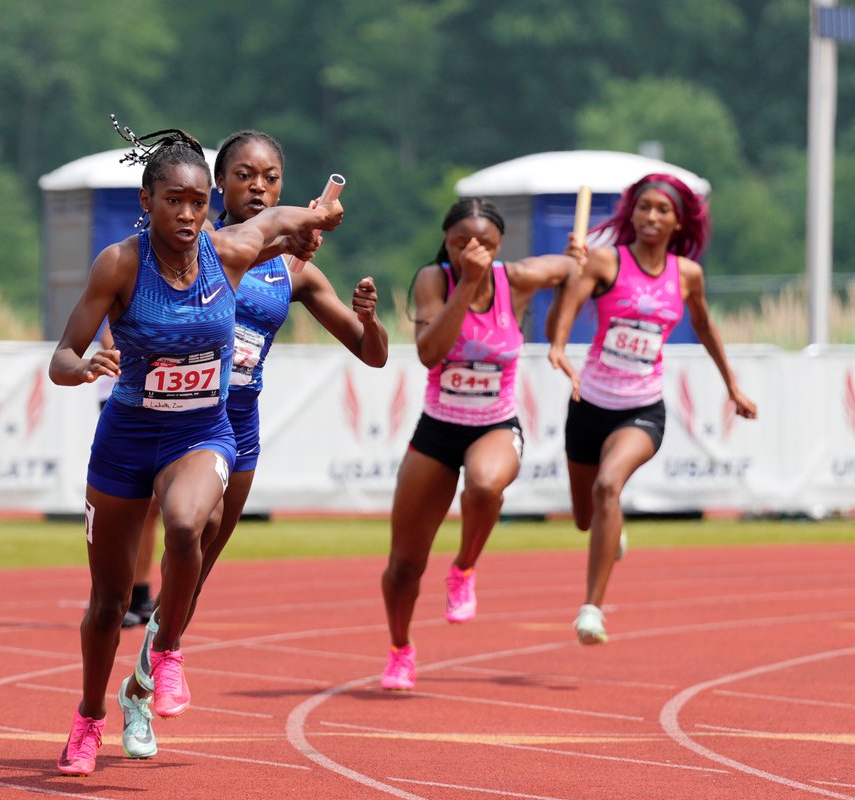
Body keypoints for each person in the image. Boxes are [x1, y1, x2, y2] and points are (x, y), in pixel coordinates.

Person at [47, 120, 343, 776]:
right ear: (147, 203)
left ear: (211, 204)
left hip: (199, 430)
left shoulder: (230, 252)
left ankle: (168, 651)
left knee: (187, 527)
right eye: (172, 201)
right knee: (107, 601)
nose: (186, 214)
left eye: (197, 201)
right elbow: (61, 357)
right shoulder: (120, 264)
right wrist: (86, 364)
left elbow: (293, 220)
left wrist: (325, 213)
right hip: (126, 439)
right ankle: (90, 717)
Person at [116, 129, 389, 759]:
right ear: (218, 186)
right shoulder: (198, 245)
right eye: (243, 175)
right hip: (175, 415)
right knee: (192, 523)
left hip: (237, 423)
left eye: (269, 177)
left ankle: (150, 675)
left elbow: (371, 355)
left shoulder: (294, 270)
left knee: (202, 559)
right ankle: (163, 648)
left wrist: (370, 318)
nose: (257, 187)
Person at [547, 173, 757, 645]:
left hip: (641, 410)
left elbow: (705, 327)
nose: (651, 217)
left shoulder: (686, 275)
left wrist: (732, 387)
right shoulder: (605, 261)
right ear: (632, 214)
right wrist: (560, 343)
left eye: (662, 210)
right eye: (644, 208)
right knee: (586, 516)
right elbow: (568, 306)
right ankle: (609, 528)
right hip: (589, 403)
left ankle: (591, 611)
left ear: (678, 221)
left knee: (608, 485)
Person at [379, 198, 576, 690]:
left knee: (486, 485)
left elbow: (575, 268)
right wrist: (466, 282)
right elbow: (429, 354)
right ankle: (400, 650)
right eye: (460, 242)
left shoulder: (519, 279)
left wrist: (564, 312)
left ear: (499, 246)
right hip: (438, 429)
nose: (473, 249)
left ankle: (464, 568)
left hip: (495, 423)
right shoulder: (434, 280)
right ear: (446, 244)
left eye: (484, 243)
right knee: (404, 564)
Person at [95, 324, 158, 629]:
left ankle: (141, 594)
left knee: (153, 507)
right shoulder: (121, 280)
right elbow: (114, 343)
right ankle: (120, 595)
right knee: (129, 503)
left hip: (163, 400)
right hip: (123, 398)